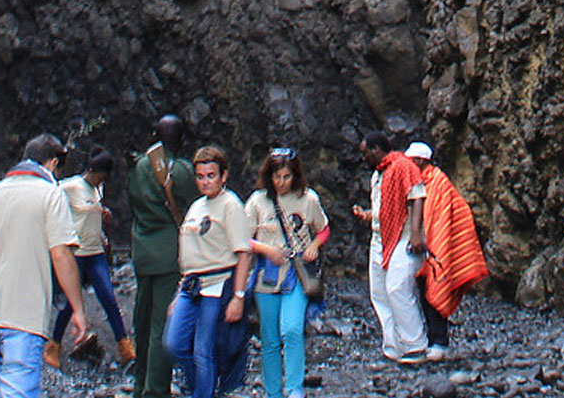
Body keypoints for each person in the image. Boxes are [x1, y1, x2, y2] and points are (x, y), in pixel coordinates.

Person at [0, 133, 91, 398]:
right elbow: (61, 255)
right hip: (23, 320)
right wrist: (78, 310)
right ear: (52, 163)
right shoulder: (51, 196)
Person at [164, 145, 254, 398]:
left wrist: (238, 297)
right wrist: (177, 293)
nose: (205, 182)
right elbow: (190, 255)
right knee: (175, 344)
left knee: (203, 350)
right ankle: (204, 390)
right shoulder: (196, 206)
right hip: (191, 285)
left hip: (218, 283)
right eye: (200, 176)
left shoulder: (231, 205)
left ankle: (203, 393)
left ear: (223, 176)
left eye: (211, 175)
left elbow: (243, 253)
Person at [244, 146, 331, 398]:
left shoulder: (308, 199)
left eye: (286, 177)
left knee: (291, 329)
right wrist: (266, 249)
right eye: (277, 177)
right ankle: (273, 392)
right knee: (269, 339)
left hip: (296, 273)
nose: (281, 183)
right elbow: (242, 237)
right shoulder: (258, 201)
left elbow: (323, 228)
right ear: (269, 176)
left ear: (295, 176)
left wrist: (314, 244)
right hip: (266, 274)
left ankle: (295, 388)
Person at [127, 114, 195, 398]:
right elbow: (194, 207)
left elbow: (133, 203)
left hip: (142, 253)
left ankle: (140, 385)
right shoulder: (180, 170)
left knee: (141, 323)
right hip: (170, 254)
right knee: (160, 326)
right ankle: (155, 390)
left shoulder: (139, 166)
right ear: (181, 139)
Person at [49, 148, 134, 366]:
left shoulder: (98, 190)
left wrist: (103, 214)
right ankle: (53, 347)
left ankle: (125, 347)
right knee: (70, 302)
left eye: (104, 179)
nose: (100, 181)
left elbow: (90, 210)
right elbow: (49, 198)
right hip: (76, 254)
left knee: (109, 298)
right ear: (91, 171)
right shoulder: (69, 186)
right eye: (99, 177)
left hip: (95, 253)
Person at [405, 142, 487, 361]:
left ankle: (439, 342)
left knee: (435, 291)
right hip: (420, 248)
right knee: (421, 294)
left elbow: (452, 211)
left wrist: (438, 241)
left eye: (412, 161)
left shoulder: (438, 181)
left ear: (421, 161)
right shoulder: (418, 182)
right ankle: (427, 339)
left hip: (436, 248)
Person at [350, 130, 427, 363]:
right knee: (380, 293)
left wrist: (415, 234)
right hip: (379, 238)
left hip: (403, 237)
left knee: (397, 287)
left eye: (365, 153)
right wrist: (367, 215)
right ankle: (393, 344)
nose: (363, 159)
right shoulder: (378, 175)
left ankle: (415, 344)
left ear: (376, 150)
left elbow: (416, 197)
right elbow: (386, 208)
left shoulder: (403, 166)